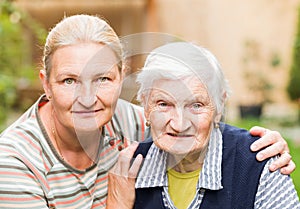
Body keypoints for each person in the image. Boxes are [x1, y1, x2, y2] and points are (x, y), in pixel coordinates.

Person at [0, 14, 295, 209]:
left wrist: (263, 146)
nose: (88, 99)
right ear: (46, 84)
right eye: (69, 81)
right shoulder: (14, 163)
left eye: (102, 79)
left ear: (121, 77)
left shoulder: (127, 120)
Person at [107, 42, 300, 209]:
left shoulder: (258, 161)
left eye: (196, 105)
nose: (179, 124)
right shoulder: (129, 170)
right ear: (146, 107)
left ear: (218, 108)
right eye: (164, 104)